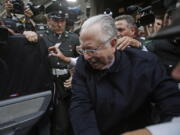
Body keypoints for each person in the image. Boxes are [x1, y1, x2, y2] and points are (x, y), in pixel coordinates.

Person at [69, 14, 180, 135]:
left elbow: (172, 106)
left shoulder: (145, 63)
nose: (86, 56)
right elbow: (80, 106)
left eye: (91, 50)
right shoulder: (82, 65)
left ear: (112, 43)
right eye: (82, 50)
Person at [41, 5, 79, 135]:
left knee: (63, 121)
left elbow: (80, 61)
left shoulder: (73, 38)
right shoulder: (41, 37)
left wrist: (74, 76)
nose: (60, 24)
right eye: (56, 21)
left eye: (62, 21)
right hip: (47, 81)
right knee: (44, 118)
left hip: (66, 81)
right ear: (48, 20)